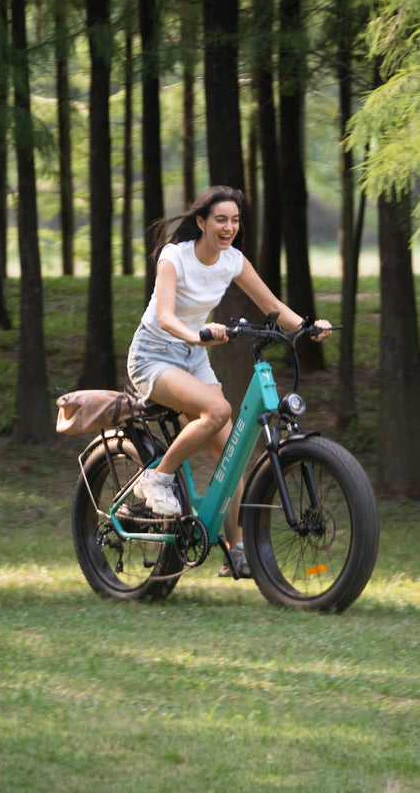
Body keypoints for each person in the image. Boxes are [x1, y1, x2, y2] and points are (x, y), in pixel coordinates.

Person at [126, 185, 331, 576]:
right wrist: (198, 333)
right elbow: (166, 316)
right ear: (201, 222)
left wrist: (307, 325)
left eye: (235, 220)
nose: (229, 227)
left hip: (192, 357)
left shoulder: (232, 260)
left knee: (231, 455)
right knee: (219, 410)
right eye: (221, 219)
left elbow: (273, 306)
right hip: (153, 355)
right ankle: (156, 478)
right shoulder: (174, 258)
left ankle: (237, 550)